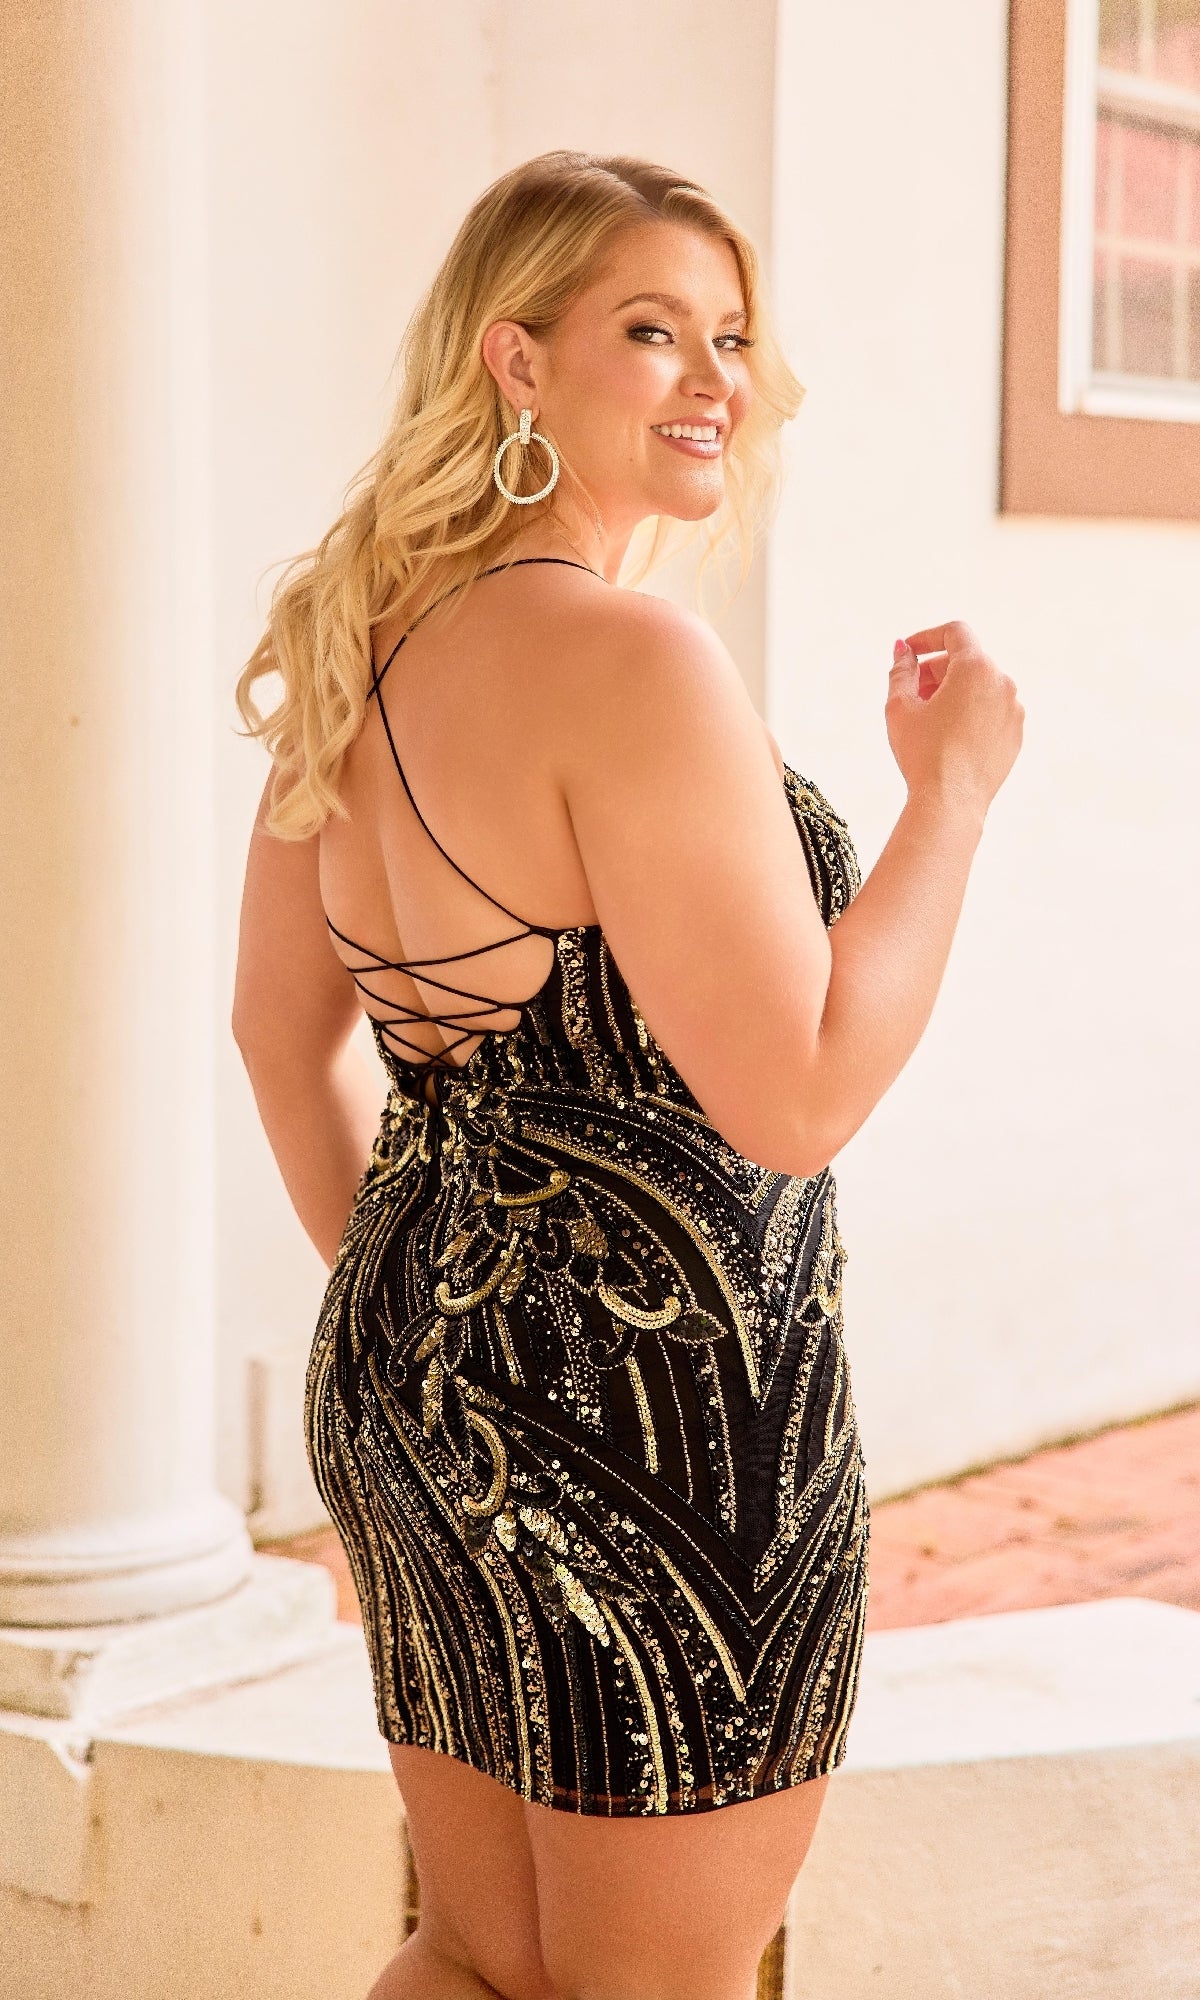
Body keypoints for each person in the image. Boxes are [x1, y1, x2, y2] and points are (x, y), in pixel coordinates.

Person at [232, 150, 1023, 2000]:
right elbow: (802, 1094)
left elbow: (285, 1037)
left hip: (416, 1389)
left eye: (729, 336)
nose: (711, 381)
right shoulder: (633, 656)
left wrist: (458, 1322)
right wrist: (955, 796)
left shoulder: (355, 644)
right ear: (515, 363)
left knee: (476, 1961)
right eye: (648, 331)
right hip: (665, 1425)